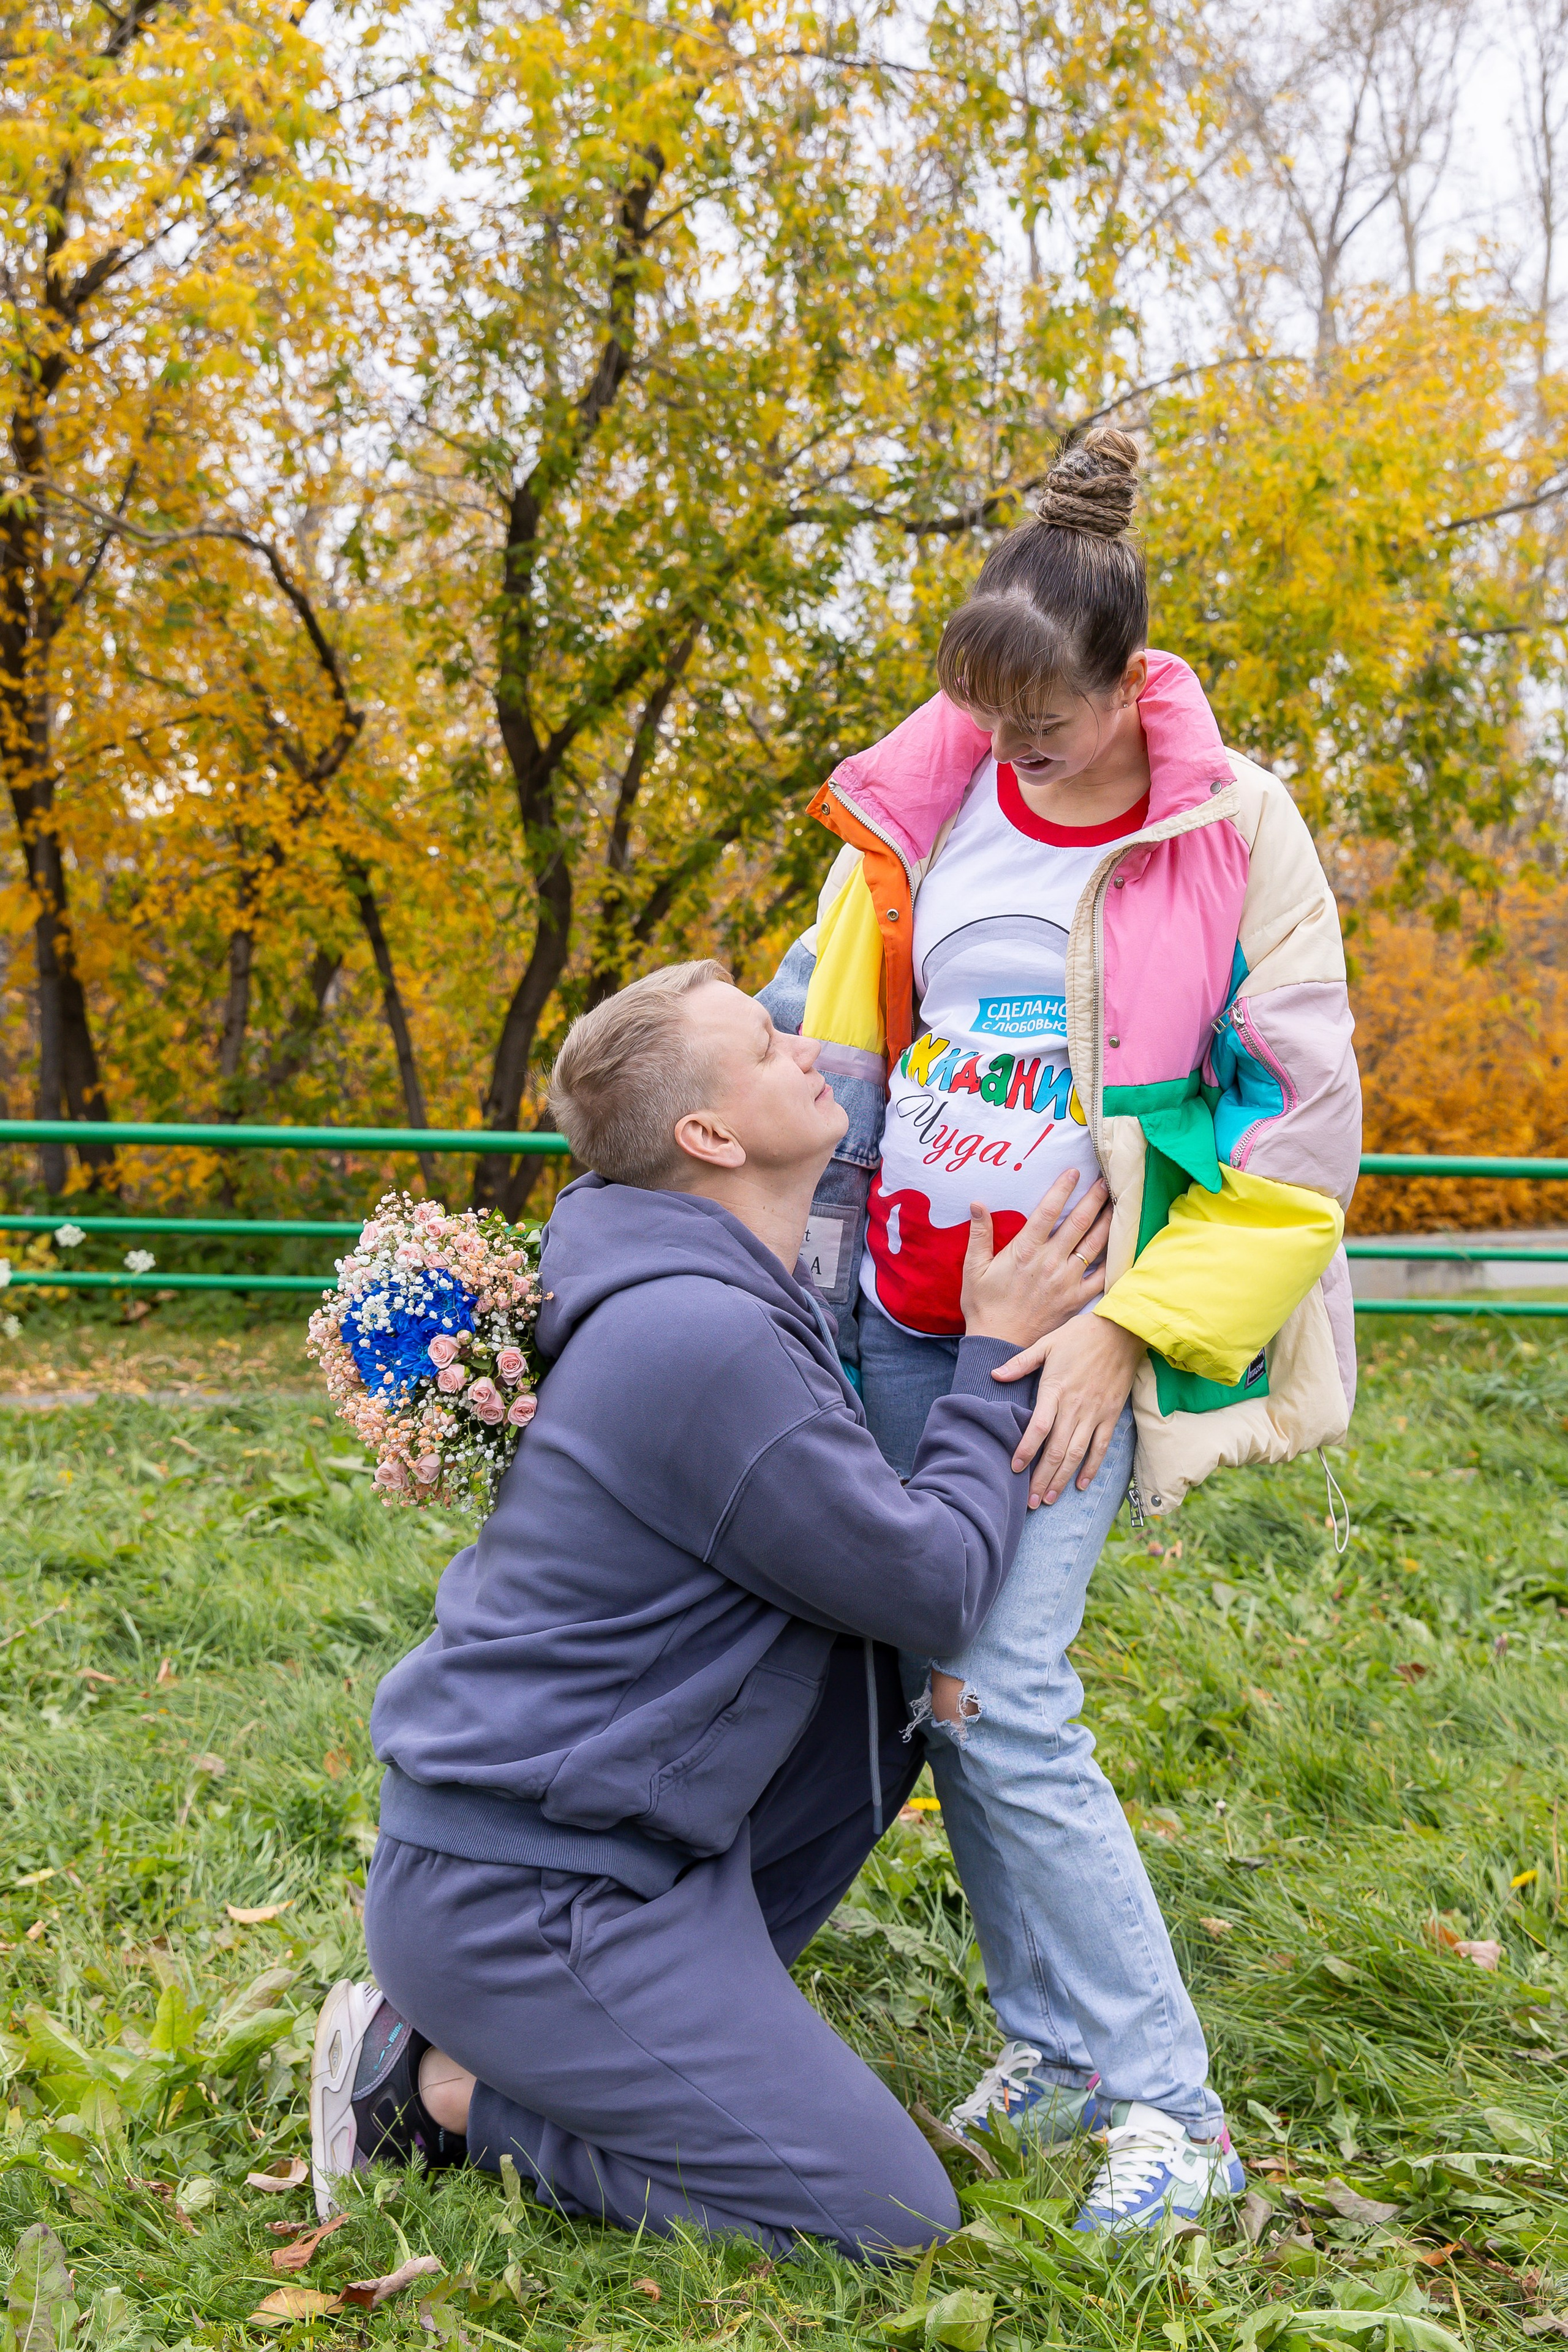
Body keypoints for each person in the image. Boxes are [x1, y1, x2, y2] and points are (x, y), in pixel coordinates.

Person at [760, 426, 1361, 2231]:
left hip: (1066, 1335)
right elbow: (816, 1037)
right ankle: (1052, 2048)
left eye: (1051, 719)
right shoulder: (920, 806)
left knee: (1002, 1689)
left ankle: (1169, 2106)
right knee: (936, 1691)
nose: (1018, 747)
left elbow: (1302, 1127)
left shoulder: (1230, 828)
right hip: (898, 1315)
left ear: (1126, 679)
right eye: (992, 714)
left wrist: (1126, 1331)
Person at [310, 961, 1113, 2260]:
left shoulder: (706, 1288)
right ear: (711, 1135)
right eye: (765, 1045)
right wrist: (992, 1355)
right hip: (529, 1898)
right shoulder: (699, 1335)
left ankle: (576, 2034)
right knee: (888, 2220)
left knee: (872, 1693)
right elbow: (933, 1583)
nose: (807, 1049)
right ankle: (432, 2092)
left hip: (614, 1853)